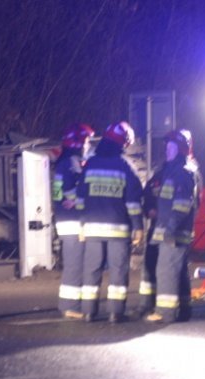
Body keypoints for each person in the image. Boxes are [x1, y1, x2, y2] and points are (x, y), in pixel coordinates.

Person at [77, 121, 143, 323]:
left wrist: (82, 224)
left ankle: (88, 312)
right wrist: (138, 226)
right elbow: (133, 202)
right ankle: (115, 312)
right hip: (118, 229)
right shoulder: (125, 166)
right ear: (124, 143)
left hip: (92, 228)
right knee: (118, 271)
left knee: (91, 270)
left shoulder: (90, 164)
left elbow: (81, 198)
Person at [138, 131, 200, 322]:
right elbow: (152, 192)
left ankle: (165, 312)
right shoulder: (168, 171)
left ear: (180, 149)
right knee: (177, 271)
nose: (167, 150)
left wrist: (170, 229)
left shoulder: (182, 173)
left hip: (174, 232)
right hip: (165, 229)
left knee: (167, 270)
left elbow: (182, 205)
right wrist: (149, 208)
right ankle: (184, 309)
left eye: (171, 147)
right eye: (167, 147)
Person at [53, 123, 95, 320]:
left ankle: (72, 305)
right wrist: (79, 200)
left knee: (77, 264)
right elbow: (66, 191)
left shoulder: (69, 161)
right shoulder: (70, 162)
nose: (88, 145)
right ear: (77, 142)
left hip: (70, 220)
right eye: (86, 141)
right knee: (74, 264)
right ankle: (69, 306)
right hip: (72, 221)